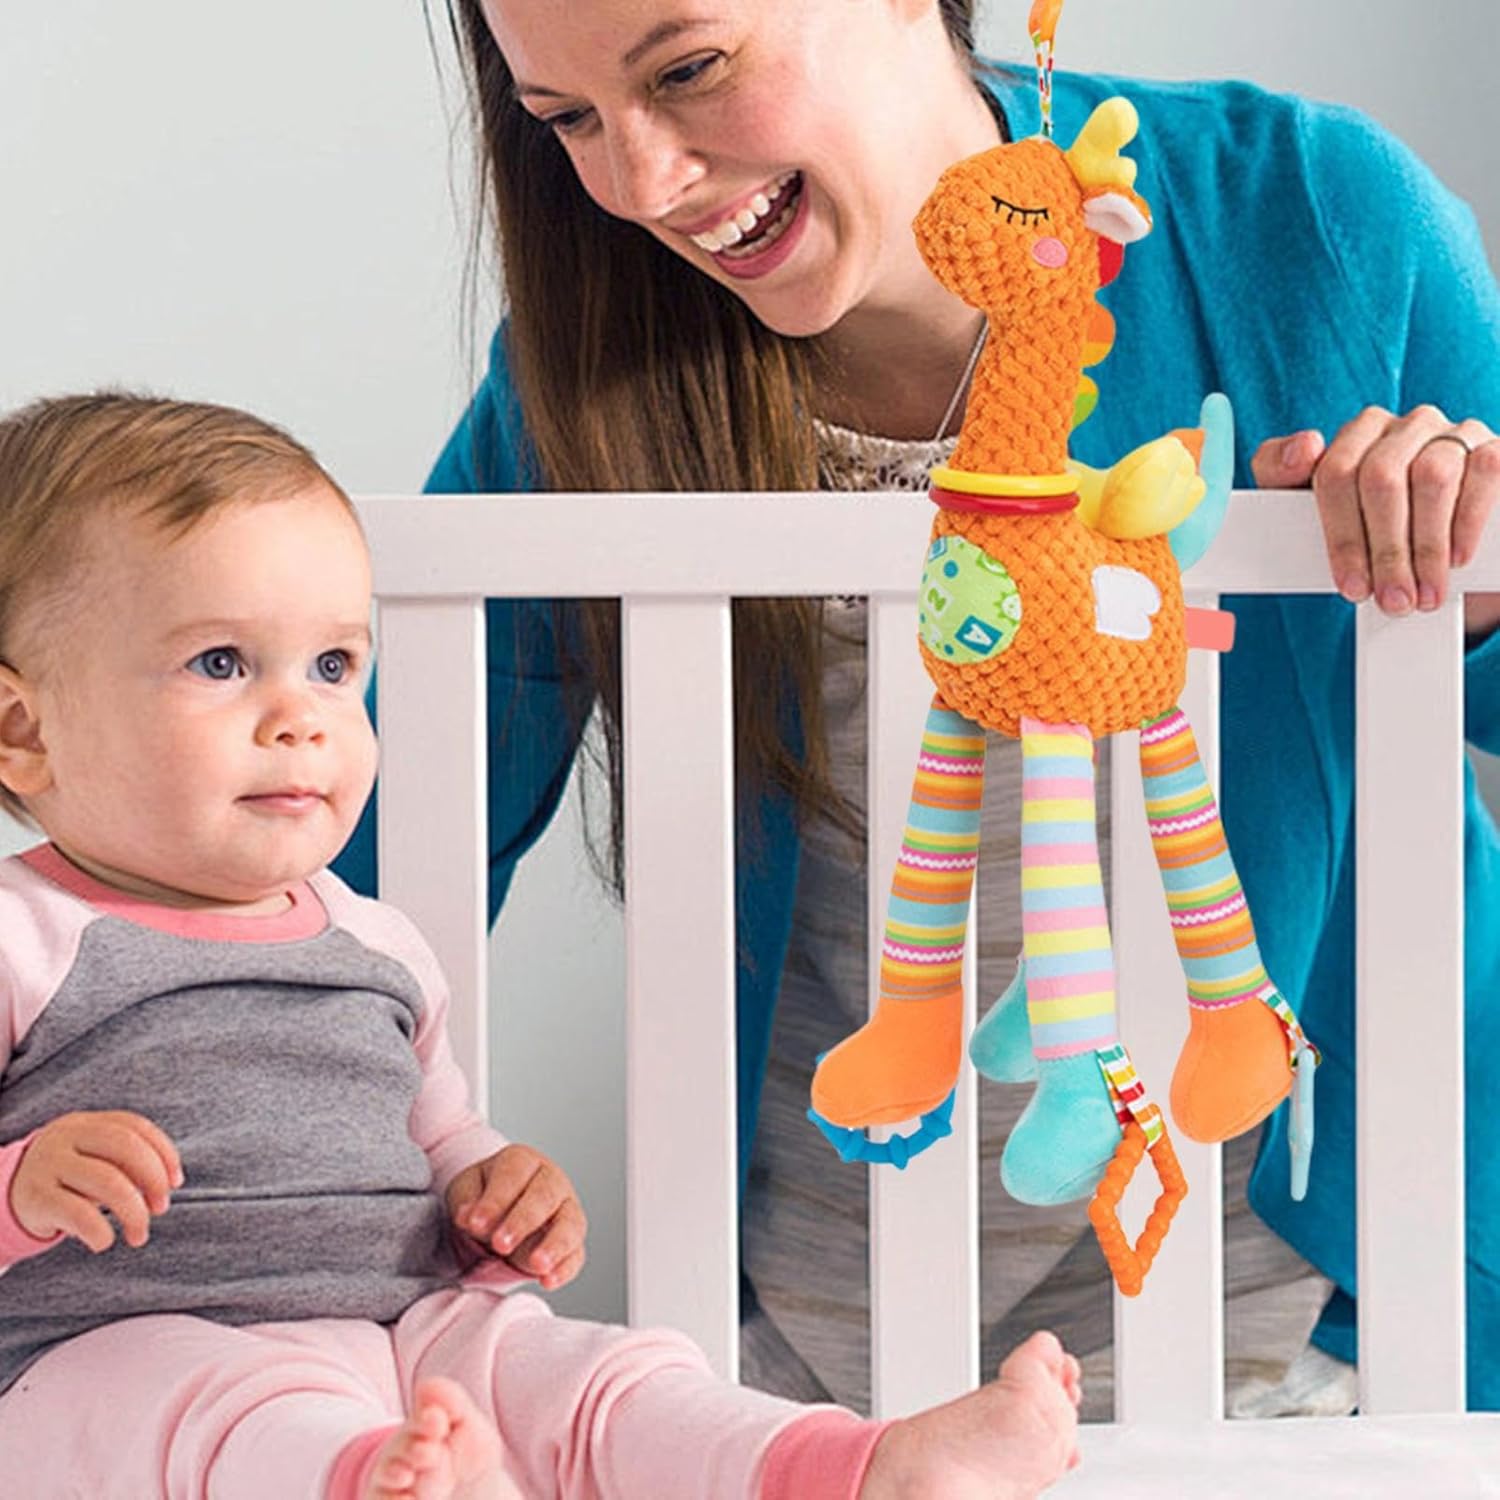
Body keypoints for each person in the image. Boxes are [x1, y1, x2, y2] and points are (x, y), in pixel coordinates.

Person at [336, 0, 1500, 1412]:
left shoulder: (1311, 220)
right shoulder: (587, 372)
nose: (642, 185)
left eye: (690, 70)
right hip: (824, 1315)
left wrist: (1462, 580)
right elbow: (358, 848)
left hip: (1313, 1301)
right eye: (568, 120)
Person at [0, 392, 1085, 1500]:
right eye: (221, 664)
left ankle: (853, 1465)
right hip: (104, 1359)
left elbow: (439, 1140)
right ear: (22, 730)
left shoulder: (374, 944)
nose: (302, 717)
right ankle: (376, 1478)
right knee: (224, 1409)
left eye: (332, 666)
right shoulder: (24, 936)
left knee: (590, 1372)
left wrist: (493, 1194)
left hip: (399, 1329)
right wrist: (23, 1189)